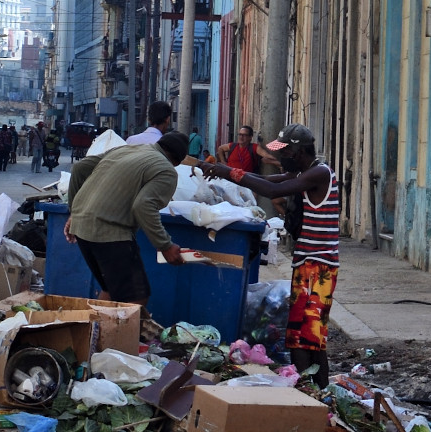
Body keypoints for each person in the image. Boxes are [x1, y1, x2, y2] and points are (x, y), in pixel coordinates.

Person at [201, 124, 338, 387]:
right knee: (300, 335)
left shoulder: (319, 173)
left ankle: (317, 392)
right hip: (308, 263)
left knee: (309, 336)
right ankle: (313, 389)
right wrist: (227, 173)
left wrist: (230, 172)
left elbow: (272, 190)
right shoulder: (302, 172)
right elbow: (267, 182)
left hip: (318, 266)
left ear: (297, 151)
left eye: (284, 152)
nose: (280, 158)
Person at [64, 131, 191, 307]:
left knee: (110, 290)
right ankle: (118, 334)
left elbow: (79, 168)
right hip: (110, 234)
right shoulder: (166, 170)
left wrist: (74, 213)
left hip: (82, 230)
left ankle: (96, 332)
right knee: (136, 298)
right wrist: (165, 245)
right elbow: (143, 206)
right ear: (177, 161)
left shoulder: (125, 150)